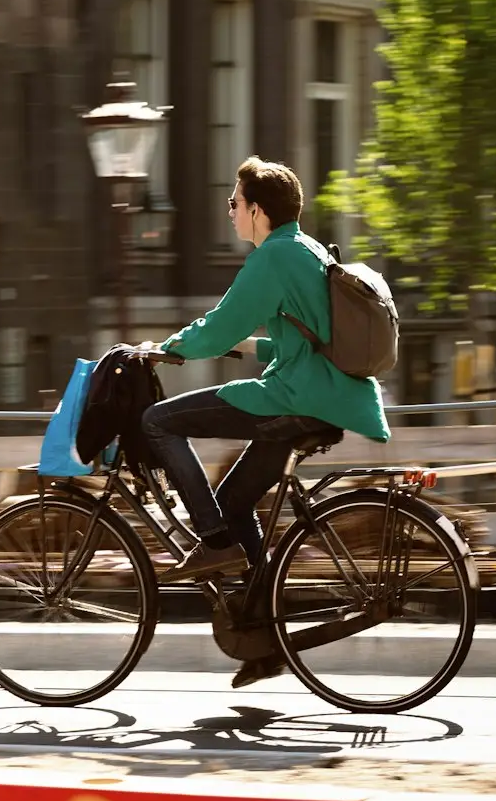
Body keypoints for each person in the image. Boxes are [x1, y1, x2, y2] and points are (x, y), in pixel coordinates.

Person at [144, 156, 391, 682]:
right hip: (320, 396)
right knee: (235, 499)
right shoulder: (306, 249)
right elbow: (290, 340)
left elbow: (213, 329)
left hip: (294, 397)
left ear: (256, 210)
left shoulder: (273, 258)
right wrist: (240, 346)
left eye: (233, 203)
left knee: (159, 421)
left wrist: (164, 348)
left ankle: (212, 542)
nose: (229, 212)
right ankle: (265, 637)